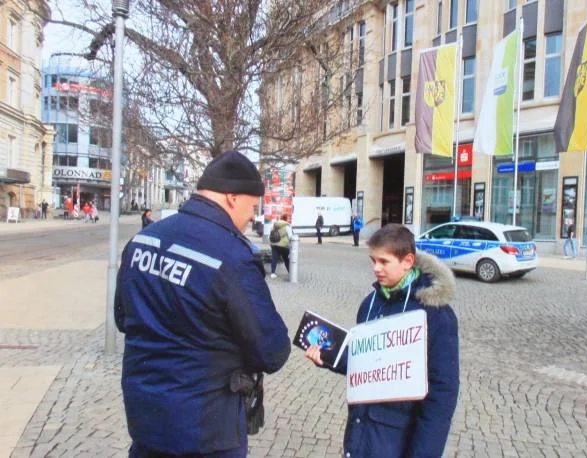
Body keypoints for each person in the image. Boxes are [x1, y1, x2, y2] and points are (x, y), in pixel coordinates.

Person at [115, 150, 291, 458]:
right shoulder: (231, 256)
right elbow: (272, 350)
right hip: (206, 427)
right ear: (232, 197)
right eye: (252, 206)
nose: (253, 216)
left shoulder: (143, 240)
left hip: (145, 416)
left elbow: (122, 318)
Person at [304, 223, 460, 458]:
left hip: (398, 441)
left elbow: (442, 396)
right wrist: (328, 356)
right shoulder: (370, 303)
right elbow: (364, 363)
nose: (376, 268)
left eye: (384, 262)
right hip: (361, 431)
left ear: (408, 261)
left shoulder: (436, 315)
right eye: (373, 260)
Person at [269, 214, 293, 278]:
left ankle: (273, 273)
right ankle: (290, 272)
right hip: (284, 245)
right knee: (286, 259)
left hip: (274, 244)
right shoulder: (287, 226)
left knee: (274, 259)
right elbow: (290, 236)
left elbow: (270, 234)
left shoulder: (275, 225)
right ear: (286, 219)